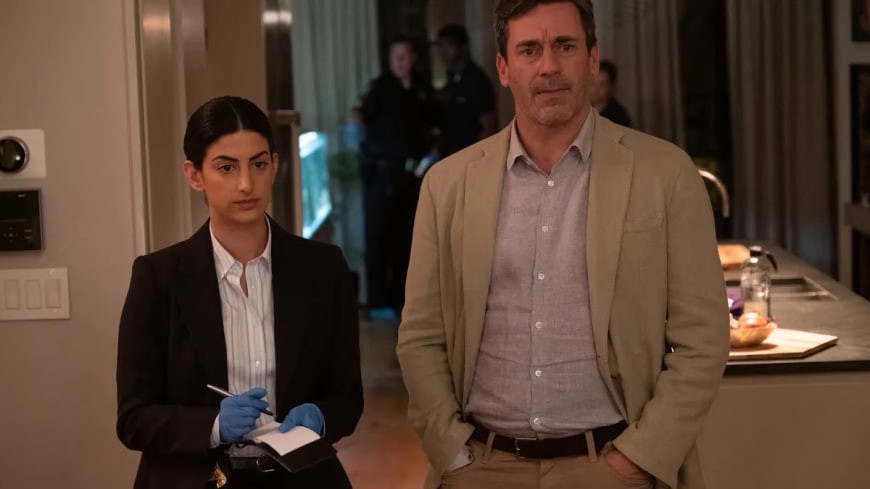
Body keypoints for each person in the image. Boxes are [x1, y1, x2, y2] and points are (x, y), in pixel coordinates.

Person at [396, 1, 729, 489]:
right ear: (504, 68)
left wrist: (639, 458)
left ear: (592, 58)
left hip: (612, 468)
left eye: (565, 46)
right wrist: (451, 452)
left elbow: (703, 337)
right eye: (530, 50)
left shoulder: (666, 174)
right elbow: (421, 336)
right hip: (480, 469)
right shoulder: (447, 185)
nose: (548, 65)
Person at [117, 96, 363, 489]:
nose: (246, 184)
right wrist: (213, 425)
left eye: (258, 164)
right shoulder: (158, 277)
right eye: (226, 167)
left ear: (275, 166)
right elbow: (134, 418)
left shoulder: (323, 268)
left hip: (301, 479)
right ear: (195, 175)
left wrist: (320, 417)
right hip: (194, 479)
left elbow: (348, 397)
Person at [360, 36, 436, 320]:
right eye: (395, 57)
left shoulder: (421, 88)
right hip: (383, 174)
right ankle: (380, 302)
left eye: (404, 56)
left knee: (409, 237)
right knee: (379, 235)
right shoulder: (380, 89)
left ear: (413, 58)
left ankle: (405, 300)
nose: (399, 62)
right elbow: (361, 118)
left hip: (412, 174)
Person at [436, 24, 498, 157]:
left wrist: (475, 159)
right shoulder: (451, 81)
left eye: (448, 45)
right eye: (440, 46)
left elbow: (489, 126)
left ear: (462, 47)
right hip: (451, 158)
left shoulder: (476, 80)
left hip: (472, 158)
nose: (442, 51)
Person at [593, 60, 632, 127]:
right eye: (593, 83)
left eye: (602, 85)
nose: (596, 89)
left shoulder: (618, 116)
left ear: (611, 87)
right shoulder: (584, 112)